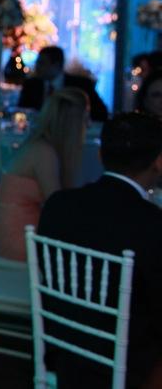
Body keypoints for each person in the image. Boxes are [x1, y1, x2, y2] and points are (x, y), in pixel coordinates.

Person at [38, 112, 162, 389]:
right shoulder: (152, 224)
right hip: (123, 366)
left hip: (64, 354)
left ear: (100, 155)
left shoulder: (59, 205)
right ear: (158, 161)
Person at [0, 87, 89, 262]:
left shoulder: (37, 146)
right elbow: (57, 205)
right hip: (19, 241)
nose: (88, 126)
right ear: (72, 123)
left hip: (5, 238)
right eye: (85, 119)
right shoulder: (44, 153)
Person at [18, 45, 108, 121]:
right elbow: (21, 111)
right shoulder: (31, 85)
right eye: (37, 63)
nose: (37, 67)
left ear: (57, 65)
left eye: (42, 63)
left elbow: (101, 113)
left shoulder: (80, 85)